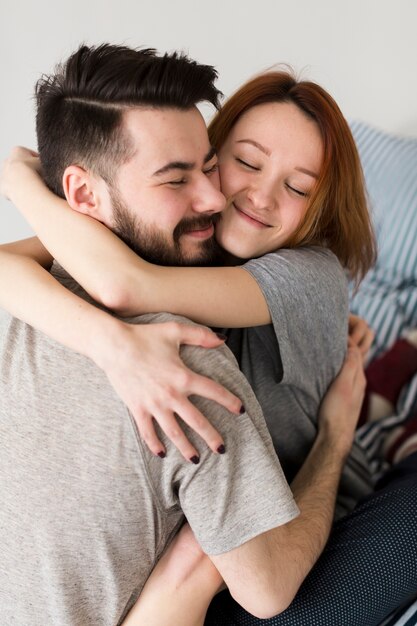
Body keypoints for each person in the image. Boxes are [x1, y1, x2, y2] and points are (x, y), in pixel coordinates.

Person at [2, 51, 417, 625]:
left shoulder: (308, 277)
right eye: (242, 163)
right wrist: (112, 345)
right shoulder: (179, 234)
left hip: (305, 522)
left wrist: (338, 437)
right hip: (229, 525)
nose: (256, 197)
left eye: (298, 189)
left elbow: (123, 284)